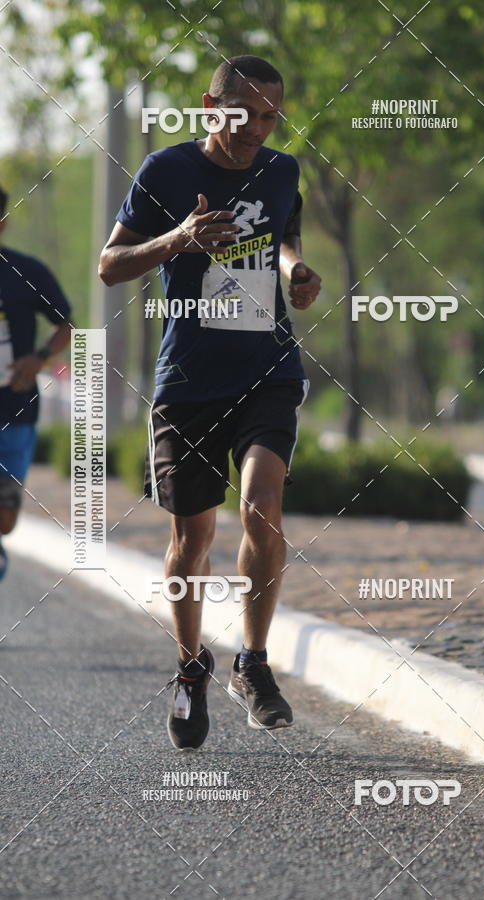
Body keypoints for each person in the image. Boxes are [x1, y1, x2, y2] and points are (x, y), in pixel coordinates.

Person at [99, 55, 322, 749]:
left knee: (262, 503)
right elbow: (111, 265)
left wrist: (296, 271)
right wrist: (179, 240)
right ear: (209, 106)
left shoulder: (282, 172)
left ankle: (252, 664)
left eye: (270, 116)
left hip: (268, 367)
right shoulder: (166, 172)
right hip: (190, 380)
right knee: (191, 538)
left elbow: (283, 236)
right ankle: (192, 666)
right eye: (245, 113)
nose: (258, 128)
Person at [0, 185, 73, 580]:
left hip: (15, 408)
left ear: (3, 223)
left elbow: (66, 325)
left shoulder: (26, 272)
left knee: (6, 520)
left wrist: (39, 358)